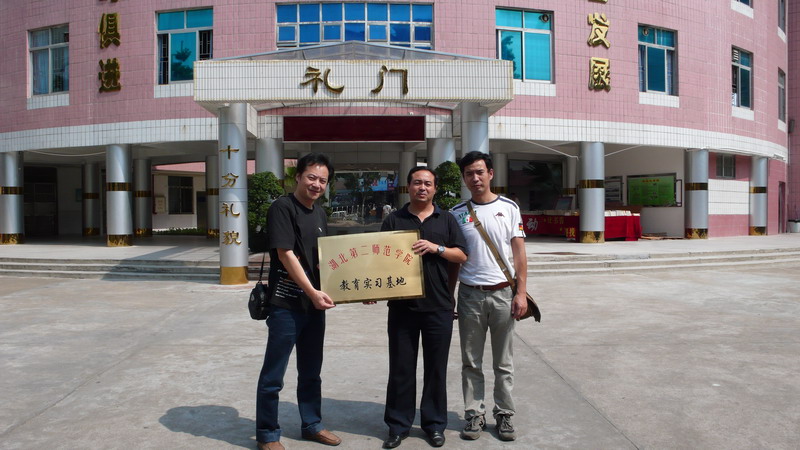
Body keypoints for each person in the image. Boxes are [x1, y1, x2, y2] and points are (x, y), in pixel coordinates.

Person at [256, 153, 341, 450]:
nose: (316, 185)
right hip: (287, 305)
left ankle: (312, 424)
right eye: (311, 177)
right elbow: (286, 254)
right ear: (298, 177)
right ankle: (267, 434)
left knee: (311, 372)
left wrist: (349, 289)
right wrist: (312, 292)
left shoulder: (319, 213)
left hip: (314, 307)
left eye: (323, 180)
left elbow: (324, 260)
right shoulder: (282, 208)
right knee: (273, 375)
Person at [379, 167, 468, 449]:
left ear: (435, 189)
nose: (422, 188)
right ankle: (398, 426)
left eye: (428, 184)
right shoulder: (394, 219)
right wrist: (371, 290)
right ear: (408, 186)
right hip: (402, 307)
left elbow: (461, 255)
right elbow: (378, 259)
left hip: (438, 307)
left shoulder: (447, 219)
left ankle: (434, 424)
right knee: (401, 368)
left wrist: (436, 247)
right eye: (417, 182)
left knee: (436, 369)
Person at [449, 151, 528, 442]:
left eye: (480, 172)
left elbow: (519, 253)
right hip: (470, 295)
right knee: (471, 360)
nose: (475, 178)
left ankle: (504, 414)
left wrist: (521, 293)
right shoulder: (457, 213)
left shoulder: (509, 207)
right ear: (464, 178)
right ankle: (474, 413)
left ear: (491, 174)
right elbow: (455, 260)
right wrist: (450, 296)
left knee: (503, 362)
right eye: (469, 173)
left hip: (503, 294)